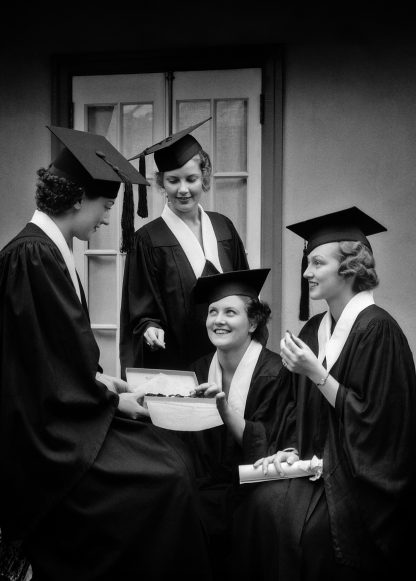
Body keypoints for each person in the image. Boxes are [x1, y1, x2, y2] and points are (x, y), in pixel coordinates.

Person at [0, 126, 213, 581]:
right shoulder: (33, 257)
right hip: (46, 438)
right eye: (105, 207)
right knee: (167, 478)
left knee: (172, 456)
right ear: (78, 198)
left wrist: (103, 382)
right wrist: (113, 398)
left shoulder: (46, 253)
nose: (104, 219)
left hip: (62, 414)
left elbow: (54, 359)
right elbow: (44, 373)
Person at [231, 206, 416, 581]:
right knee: (257, 507)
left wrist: (315, 372)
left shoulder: (379, 332)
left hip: (357, 480)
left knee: (311, 533)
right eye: (308, 263)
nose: (306, 273)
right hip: (312, 462)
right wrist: (286, 447)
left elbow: (381, 426)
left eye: (317, 263)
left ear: (348, 269)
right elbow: (296, 408)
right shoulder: (316, 327)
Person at [119, 117, 249, 376]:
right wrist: (149, 328)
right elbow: (140, 311)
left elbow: (246, 292)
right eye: (173, 180)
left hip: (230, 362)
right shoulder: (148, 240)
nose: (183, 189)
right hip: (177, 365)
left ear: (204, 178)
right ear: (161, 183)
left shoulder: (224, 228)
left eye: (191, 179)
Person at [182, 268, 288, 580]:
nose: (219, 320)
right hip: (204, 490)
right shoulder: (198, 370)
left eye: (231, 312)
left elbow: (269, 445)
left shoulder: (276, 373)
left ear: (253, 322)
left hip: (255, 492)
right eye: (213, 311)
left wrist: (224, 408)